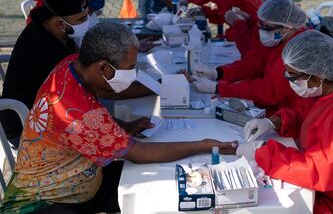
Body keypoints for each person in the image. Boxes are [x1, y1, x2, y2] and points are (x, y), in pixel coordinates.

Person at [0, 22, 237, 214]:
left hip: (78, 180)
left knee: (170, 182)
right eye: (130, 67)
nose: (133, 73)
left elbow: (100, 95)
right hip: (47, 202)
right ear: (104, 68)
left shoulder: (71, 65)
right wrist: (204, 144)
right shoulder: (82, 115)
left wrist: (122, 126)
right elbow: (141, 154)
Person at [237, 30, 333, 213]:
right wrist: (275, 122)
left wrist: (263, 153)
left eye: (292, 76)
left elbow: (321, 171)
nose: (289, 81)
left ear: (317, 76)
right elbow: (309, 114)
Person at [192, 0, 313, 117]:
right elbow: (253, 64)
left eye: (267, 27)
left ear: (286, 28)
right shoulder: (278, 39)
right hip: (278, 110)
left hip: (294, 117)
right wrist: (218, 73)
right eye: (261, 25)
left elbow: (268, 91)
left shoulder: (297, 51)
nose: (262, 31)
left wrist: (218, 88)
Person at [1, 0, 88, 147]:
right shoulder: (45, 49)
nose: (86, 22)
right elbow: (77, 96)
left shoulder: (52, 30)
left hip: (47, 115)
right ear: (58, 23)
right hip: (24, 126)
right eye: (81, 19)